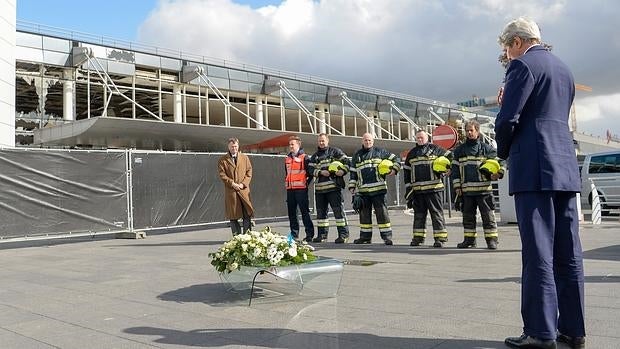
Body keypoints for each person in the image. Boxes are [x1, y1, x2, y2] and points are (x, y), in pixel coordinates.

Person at [495, 17, 585, 349]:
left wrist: (504, 150)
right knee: (569, 252)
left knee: (538, 252)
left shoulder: (522, 67)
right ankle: (573, 330)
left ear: (518, 41)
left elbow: (508, 119)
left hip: (534, 166)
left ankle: (540, 331)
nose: (507, 55)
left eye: (507, 48)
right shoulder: (564, 69)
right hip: (564, 166)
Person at [451, 120, 504, 250]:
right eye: (467, 130)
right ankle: (469, 240)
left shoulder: (486, 149)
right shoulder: (459, 151)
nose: (469, 133)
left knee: (488, 217)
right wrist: (457, 187)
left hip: (484, 191)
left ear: (477, 131)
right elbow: (455, 170)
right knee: (468, 218)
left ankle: (492, 241)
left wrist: (498, 173)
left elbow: (500, 162)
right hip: (467, 192)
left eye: (471, 130)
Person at [348, 132, 400, 245]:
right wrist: (352, 186)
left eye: (369, 140)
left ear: (373, 141)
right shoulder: (357, 155)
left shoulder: (380, 152)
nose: (368, 142)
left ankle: (387, 237)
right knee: (364, 216)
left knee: (382, 215)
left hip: (379, 190)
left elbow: (396, 159)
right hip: (363, 191)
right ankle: (365, 237)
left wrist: (394, 170)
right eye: (366, 140)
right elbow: (353, 173)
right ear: (362, 141)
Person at [403, 130, 451, 247]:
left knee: (436, 214)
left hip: (434, 189)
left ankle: (440, 239)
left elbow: (451, 157)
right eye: (418, 137)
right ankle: (418, 238)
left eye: (422, 137)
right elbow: (406, 172)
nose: (420, 139)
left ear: (427, 138)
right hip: (418, 191)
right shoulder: (412, 153)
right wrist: (409, 190)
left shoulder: (436, 149)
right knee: (419, 215)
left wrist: (447, 170)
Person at [308, 133, 350, 243]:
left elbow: (347, 162)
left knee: (339, 213)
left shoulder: (335, 152)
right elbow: (310, 170)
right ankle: (322, 236)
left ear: (328, 140)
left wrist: (343, 171)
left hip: (334, 188)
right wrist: (321, 172)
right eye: (320, 141)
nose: (321, 143)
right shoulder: (315, 156)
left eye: (323, 141)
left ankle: (343, 235)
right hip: (320, 190)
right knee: (321, 214)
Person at [217, 137, 255, 235]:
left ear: (238, 146)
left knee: (247, 214)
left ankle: (247, 236)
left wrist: (243, 184)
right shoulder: (222, 160)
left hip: (244, 191)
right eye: (232, 146)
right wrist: (232, 183)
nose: (234, 148)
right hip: (232, 192)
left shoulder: (245, 158)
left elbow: (249, 171)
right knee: (233, 216)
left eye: (236, 146)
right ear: (228, 147)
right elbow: (222, 175)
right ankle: (237, 237)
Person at [285, 135, 315, 242]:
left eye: (292, 144)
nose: (291, 146)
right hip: (290, 189)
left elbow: (311, 173)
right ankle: (294, 234)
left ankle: (309, 234)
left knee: (304, 212)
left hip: (301, 189)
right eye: (290, 145)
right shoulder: (287, 158)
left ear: (298, 144)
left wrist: (306, 183)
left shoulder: (305, 157)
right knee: (292, 213)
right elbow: (287, 173)